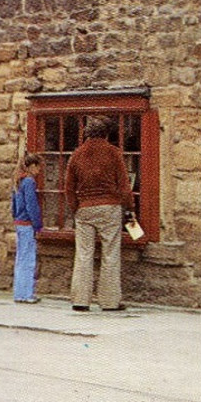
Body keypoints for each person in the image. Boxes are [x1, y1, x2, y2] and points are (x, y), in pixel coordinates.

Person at [64, 118, 133, 312]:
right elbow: (124, 186)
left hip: (85, 208)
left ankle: (80, 300)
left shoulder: (76, 155)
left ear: (86, 134)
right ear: (106, 134)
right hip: (110, 207)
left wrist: (76, 207)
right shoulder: (113, 153)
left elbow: (69, 187)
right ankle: (110, 302)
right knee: (110, 254)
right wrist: (129, 208)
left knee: (84, 255)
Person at [11, 154, 44, 303]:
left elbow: (14, 206)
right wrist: (38, 225)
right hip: (27, 224)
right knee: (29, 259)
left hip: (19, 222)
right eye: (38, 167)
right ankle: (26, 294)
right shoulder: (29, 182)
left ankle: (19, 292)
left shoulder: (18, 181)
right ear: (32, 166)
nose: (39, 170)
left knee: (20, 259)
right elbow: (32, 205)